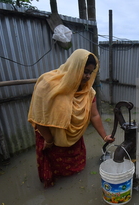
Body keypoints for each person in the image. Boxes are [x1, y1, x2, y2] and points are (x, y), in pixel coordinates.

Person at [28, 49, 114, 188]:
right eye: (84, 71)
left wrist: (105, 137)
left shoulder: (88, 91)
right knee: (55, 173)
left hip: (74, 138)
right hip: (50, 139)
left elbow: (94, 115)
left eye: (90, 72)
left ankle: (75, 187)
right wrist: (48, 140)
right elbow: (40, 117)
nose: (87, 76)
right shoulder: (48, 85)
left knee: (76, 171)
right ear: (74, 67)